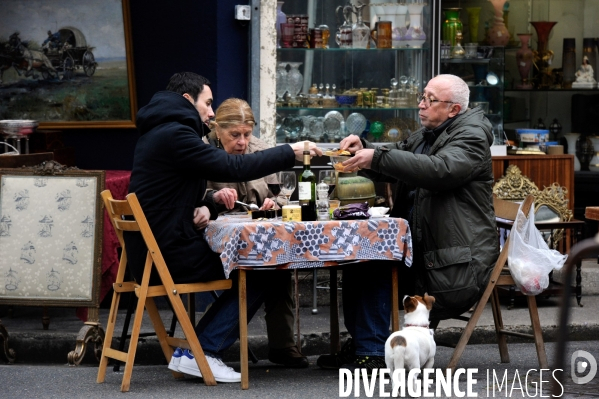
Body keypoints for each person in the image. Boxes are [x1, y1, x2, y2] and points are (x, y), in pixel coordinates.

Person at [125, 72, 321, 382]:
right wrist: (290, 151)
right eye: (208, 103)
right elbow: (232, 167)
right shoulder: (176, 135)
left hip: (153, 253)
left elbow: (176, 195)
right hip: (166, 254)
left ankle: (200, 348)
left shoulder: (160, 131)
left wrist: (210, 203)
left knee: (256, 262)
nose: (212, 112)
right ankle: (202, 349)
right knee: (260, 266)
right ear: (188, 101)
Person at [317, 74, 498, 373]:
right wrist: (363, 148)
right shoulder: (432, 132)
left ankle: (373, 350)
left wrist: (375, 158)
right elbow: (401, 155)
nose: (421, 104)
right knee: (359, 254)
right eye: (422, 96)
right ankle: (367, 342)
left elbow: (439, 170)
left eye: (430, 100)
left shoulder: (472, 137)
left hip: (455, 260)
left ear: (453, 109)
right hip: (427, 245)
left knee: (375, 259)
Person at [203, 98, 307, 367]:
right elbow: (189, 194)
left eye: (246, 134)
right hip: (216, 242)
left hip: (260, 234)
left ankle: (283, 345)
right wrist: (212, 196)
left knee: (279, 259)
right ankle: (206, 344)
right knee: (266, 268)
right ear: (217, 129)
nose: (241, 142)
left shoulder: (261, 149)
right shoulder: (201, 150)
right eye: (234, 135)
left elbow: (284, 192)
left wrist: (276, 203)